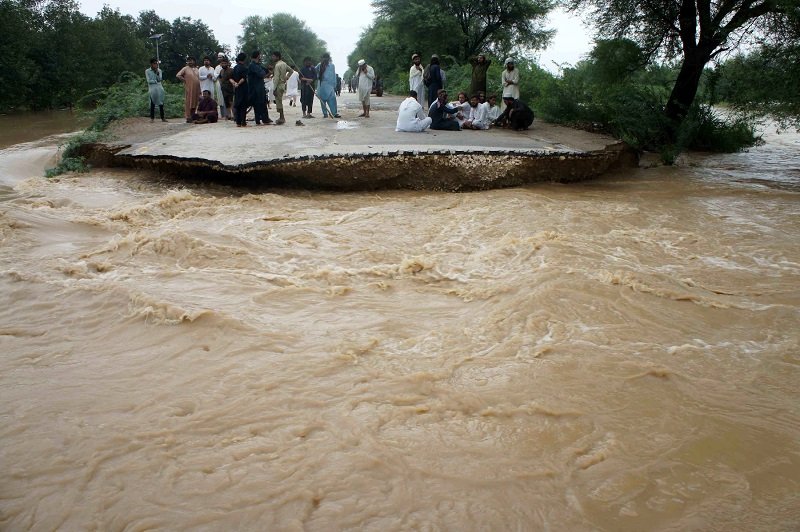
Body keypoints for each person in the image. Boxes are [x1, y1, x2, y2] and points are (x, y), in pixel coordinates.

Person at [248, 50, 272, 125]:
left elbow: (264, 70)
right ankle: (259, 119)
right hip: (255, 88)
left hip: (260, 87)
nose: (261, 57)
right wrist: (268, 72)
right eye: (260, 55)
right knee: (257, 104)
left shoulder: (257, 65)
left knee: (263, 103)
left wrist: (269, 69)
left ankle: (265, 119)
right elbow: (261, 74)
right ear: (258, 56)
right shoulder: (253, 65)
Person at [315, 52, 341, 119]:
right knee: (322, 100)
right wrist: (318, 76)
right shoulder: (319, 65)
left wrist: (335, 85)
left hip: (330, 85)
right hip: (322, 85)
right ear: (322, 58)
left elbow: (334, 75)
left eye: (327, 58)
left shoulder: (332, 66)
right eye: (324, 58)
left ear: (329, 58)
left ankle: (334, 113)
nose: (325, 59)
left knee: (332, 99)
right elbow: (314, 71)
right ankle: (325, 114)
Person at [271, 51, 293, 125]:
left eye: (273, 56)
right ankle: (281, 117)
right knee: (279, 101)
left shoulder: (277, 65)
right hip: (283, 85)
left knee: (279, 102)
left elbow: (276, 78)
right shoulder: (284, 63)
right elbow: (291, 71)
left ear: (277, 57)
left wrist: (274, 89)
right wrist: (287, 77)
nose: (272, 58)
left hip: (278, 85)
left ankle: (282, 117)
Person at [176, 57, 200, 123]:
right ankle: (188, 116)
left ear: (194, 61)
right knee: (188, 102)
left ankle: (192, 116)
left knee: (195, 101)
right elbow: (178, 75)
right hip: (189, 88)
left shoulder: (197, 69)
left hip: (196, 88)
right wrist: (184, 80)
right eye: (189, 61)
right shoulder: (185, 68)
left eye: (191, 61)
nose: (190, 62)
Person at [145, 58, 167, 123]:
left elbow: (160, 79)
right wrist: (155, 81)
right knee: (152, 102)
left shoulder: (159, 70)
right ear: (151, 64)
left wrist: (156, 73)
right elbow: (148, 81)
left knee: (161, 102)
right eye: (154, 63)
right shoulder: (147, 71)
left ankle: (163, 118)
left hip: (159, 88)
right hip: (152, 88)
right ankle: (152, 118)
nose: (156, 65)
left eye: (156, 63)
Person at [231, 52, 249, 127]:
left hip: (236, 89)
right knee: (243, 105)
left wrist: (235, 84)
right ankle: (243, 122)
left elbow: (231, 78)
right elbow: (243, 78)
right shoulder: (244, 68)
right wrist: (238, 83)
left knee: (238, 104)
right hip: (243, 88)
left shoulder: (235, 68)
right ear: (244, 59)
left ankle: (238, 122)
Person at [213, 52, 228, 120]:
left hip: (227, 84)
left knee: (227, 98)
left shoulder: (227, 66)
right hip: (219, 84)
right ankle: (223, 115)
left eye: (220, 57)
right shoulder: (217, 67)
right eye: (218, 57)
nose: (219, 58)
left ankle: (228, 114)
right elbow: (215, 76)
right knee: (220, 99)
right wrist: (219, 75)